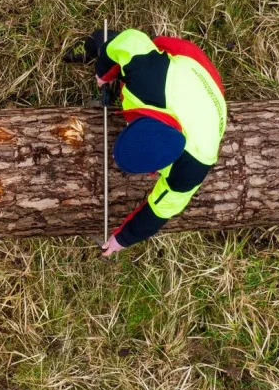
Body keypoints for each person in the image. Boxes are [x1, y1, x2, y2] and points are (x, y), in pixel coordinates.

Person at [76, 27, 227, 256]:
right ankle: (96, 41)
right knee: (130, 46)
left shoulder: (190, 171)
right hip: (189, 67)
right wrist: (104, 71)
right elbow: (130, 40)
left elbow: (159, 211)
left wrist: (121, 239)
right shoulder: (147, 76)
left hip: (212, 100)